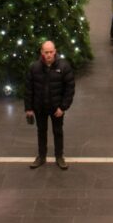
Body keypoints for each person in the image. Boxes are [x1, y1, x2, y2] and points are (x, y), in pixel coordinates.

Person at [24, 41, 75, 169]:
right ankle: (41, 156)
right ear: (42, 52)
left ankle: (59, 157)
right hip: (40, 108)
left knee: (58, 132)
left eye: (51, 52)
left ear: (55, 51)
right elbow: (29, 89)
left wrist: (63, 107)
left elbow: (70, 89)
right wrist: (29, 108)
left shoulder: (64, 67)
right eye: (46, 52)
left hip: (56, 108)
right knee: (41, 132)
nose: (49, 55)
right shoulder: (34, 67)